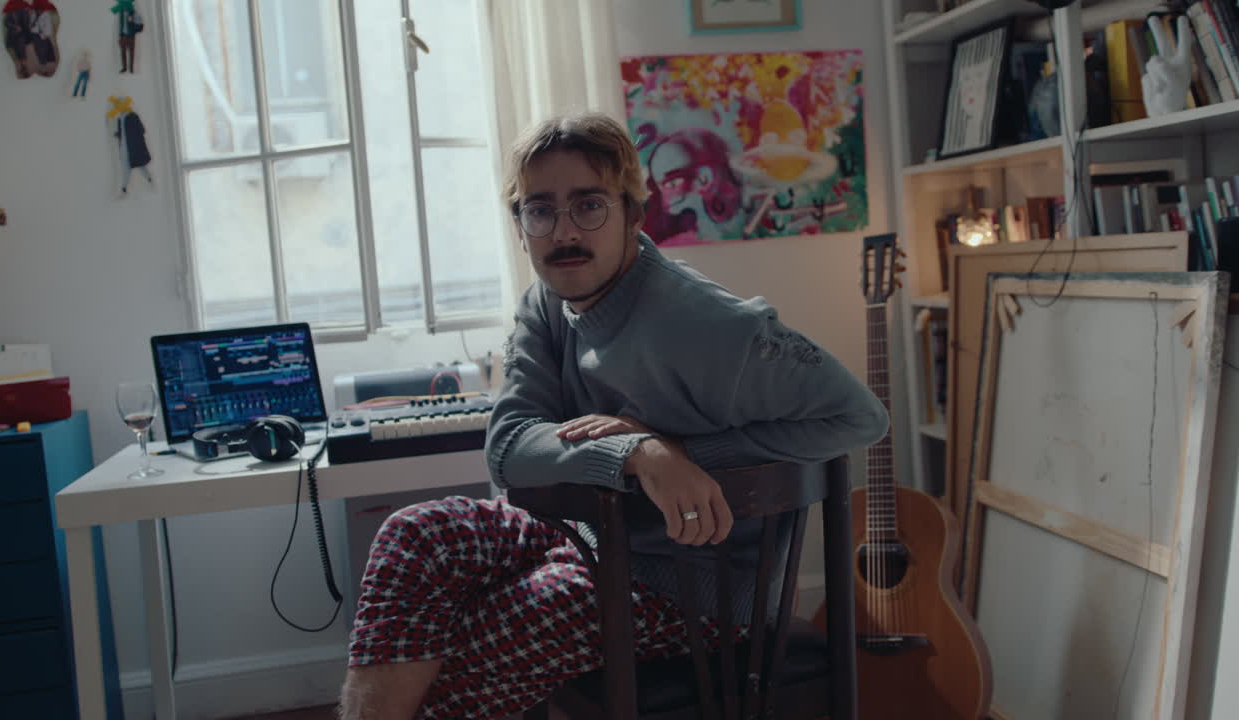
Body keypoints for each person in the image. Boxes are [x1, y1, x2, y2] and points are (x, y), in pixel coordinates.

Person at [339, 112, 888, 720]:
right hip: (589, 533)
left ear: (634, 213)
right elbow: (508, 450)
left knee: (495, 631)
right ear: (521, 228)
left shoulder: (713, 327)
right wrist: (639, 453)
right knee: (413, 534)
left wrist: (683, 455)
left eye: (590, 205)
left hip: (691, 584)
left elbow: (859, 416)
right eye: (540, 210)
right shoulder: (548, 302)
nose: (564, 231)